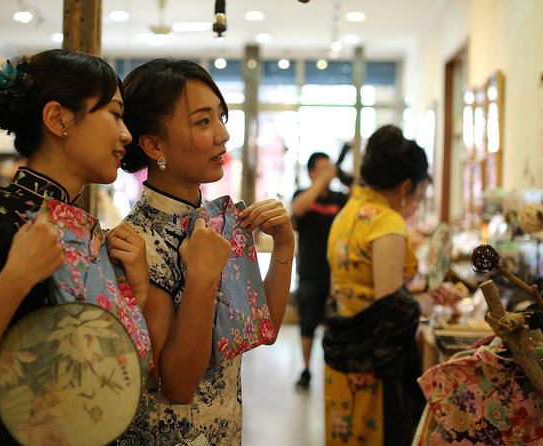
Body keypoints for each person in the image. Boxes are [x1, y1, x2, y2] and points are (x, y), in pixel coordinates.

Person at [0, 49, 149, 444]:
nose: (126, 134)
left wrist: (135, 293)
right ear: (58, 119)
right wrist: (16, 279)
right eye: (113, 113)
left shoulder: (94, 235)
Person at [115, 58, 295, 445]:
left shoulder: (216, 221)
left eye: (221, 116)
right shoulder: (137, 243)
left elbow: (261, 329)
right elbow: (178, 386)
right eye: (202, 121)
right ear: (153, 145)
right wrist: (201, 276)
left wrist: (284, 246)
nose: (223, 135)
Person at [324, 125, 444, 445]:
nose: (417, 204)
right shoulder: (386, 222)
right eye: (419, 195)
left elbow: (361, 283)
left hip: (343, 350)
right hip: (373, 362)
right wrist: (424, 304)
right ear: (406, 186)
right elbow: (389, 308)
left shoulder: (349, 212)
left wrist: (419, 292)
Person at [291, 152, 349, 389]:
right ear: (312, 172)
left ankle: (335, 369)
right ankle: (306, 369)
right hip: (310, 272)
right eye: (322, 169)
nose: (328, 174)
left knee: (337, 323)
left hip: (337, 274)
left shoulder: (340, 198)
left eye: (330, 169)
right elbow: (298, 209)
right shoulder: (303, 195)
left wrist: (344, 178)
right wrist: (320, 184)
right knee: (308, 323)